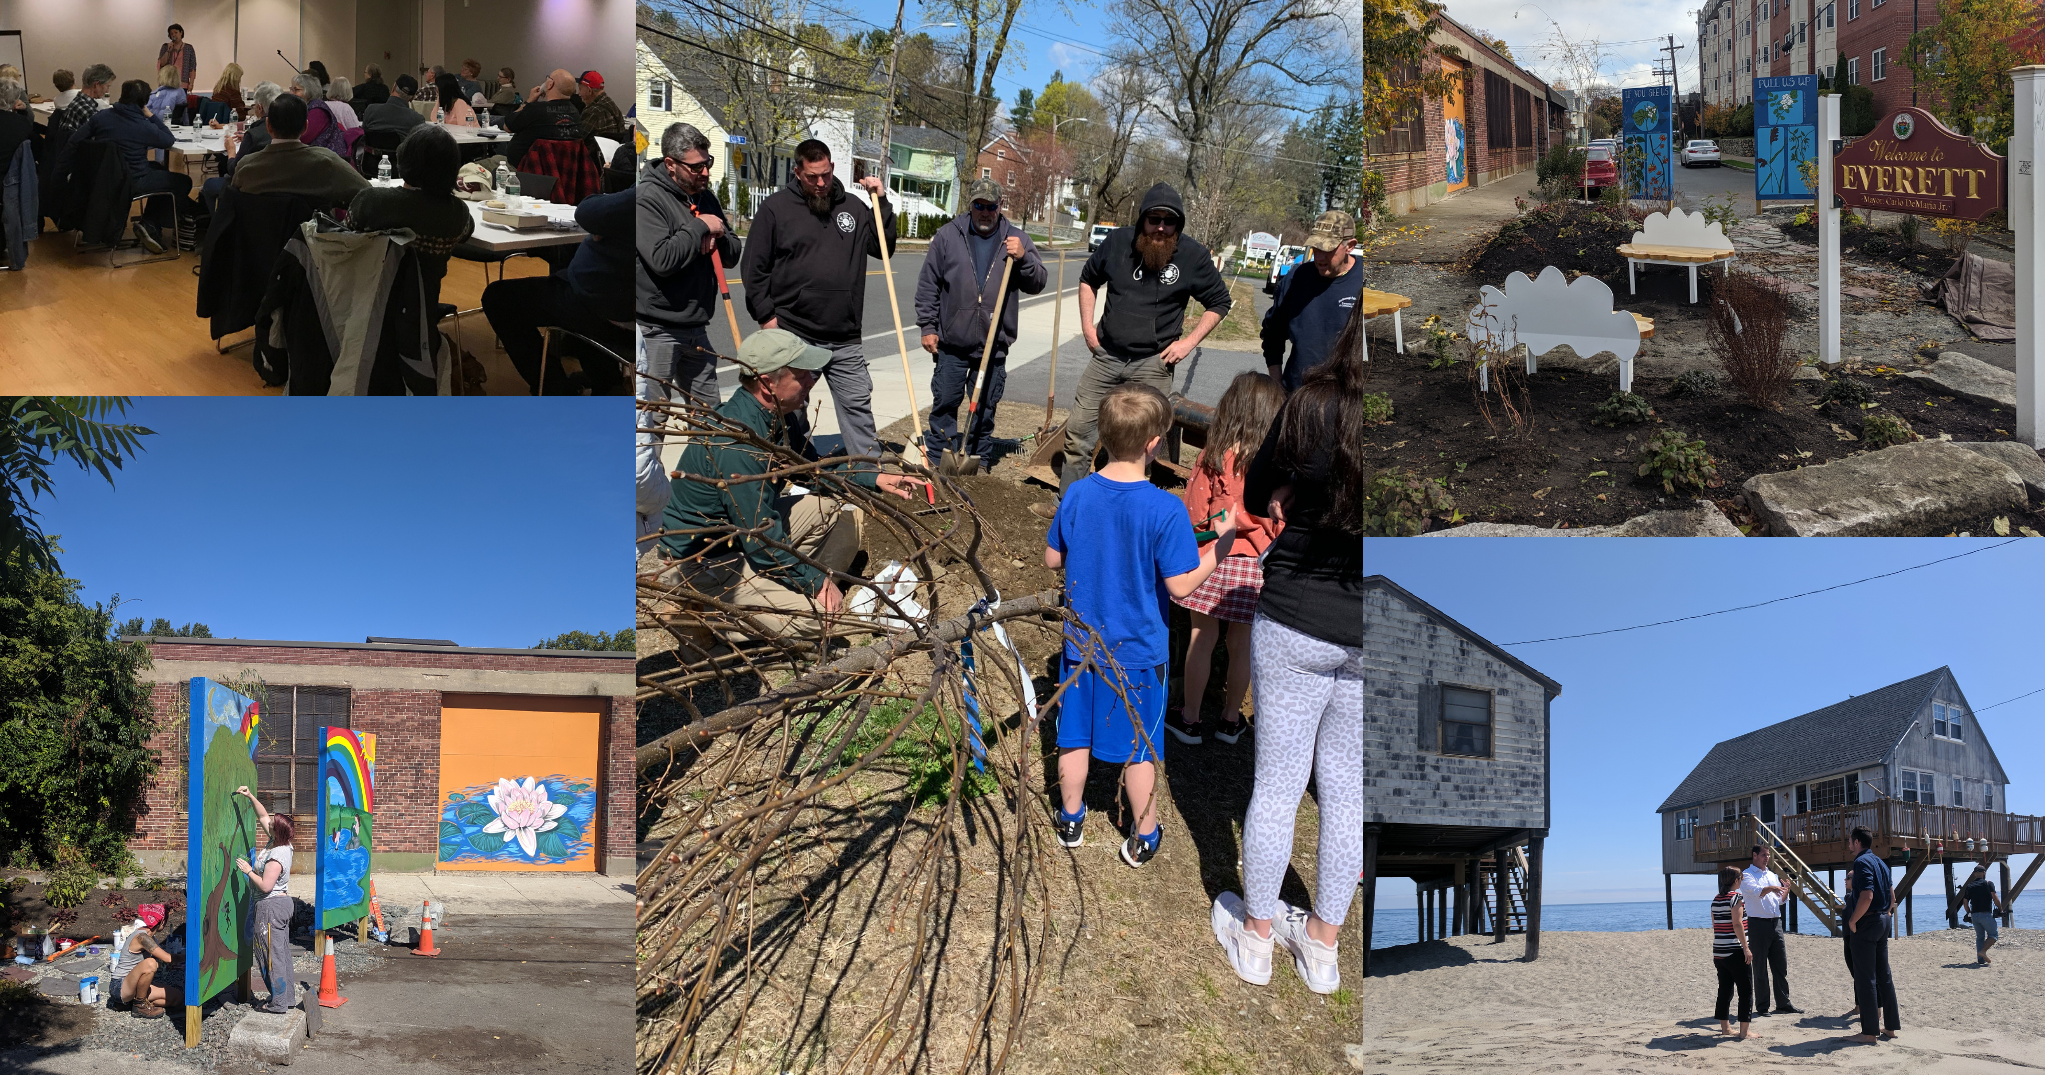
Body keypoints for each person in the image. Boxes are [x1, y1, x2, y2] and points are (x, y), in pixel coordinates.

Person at [1209, 298, 1367, 996]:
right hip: (1371, 630)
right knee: (1344, 792)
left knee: (1276, 781)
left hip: (1297, 612)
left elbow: (1256, 487)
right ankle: (1324, 946)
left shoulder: (1312, 404)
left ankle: (1258, 935)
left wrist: (1282, 494)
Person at [1046, 383, 1236, 871]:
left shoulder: (1077, 494)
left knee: (1074, 734)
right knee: (1140, 749)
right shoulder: (1165, 508)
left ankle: (1070, 818)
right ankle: (1144, 832)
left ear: (1103, 436)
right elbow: (1181, 587)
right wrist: (1222, 543)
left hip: (1081, 645)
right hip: (1139, 653)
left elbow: (1051, 559)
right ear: (1154, 443)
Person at [653, 328, 932, 634]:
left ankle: (784, 590)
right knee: (820, 620)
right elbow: (759, 537)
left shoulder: (778, 417)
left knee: (824, 508)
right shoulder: (738, 447)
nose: (813, 379)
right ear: (766, 382)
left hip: (739, 536)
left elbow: (813, 471)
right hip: (702, 560)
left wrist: (875, 478)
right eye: (802, 374)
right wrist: (816, 582)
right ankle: (702, 614)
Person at [1033, 182, 1230, 519]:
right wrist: (1087, 326)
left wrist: (1188, 342)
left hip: (1152, 365)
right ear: (1142, 220)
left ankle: (1122, 514)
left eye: (1170, 222)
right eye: (1154, 219)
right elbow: (1087, 279)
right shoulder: (1117, 243)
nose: (1161, 228)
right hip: (1106, 356)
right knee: (1079, 433)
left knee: (1140, 444)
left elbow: (1219, 302)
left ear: (1178, 226)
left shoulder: (1193, 256)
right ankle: (1068, 505)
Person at [737, 139, 896, 458]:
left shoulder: (852, 207)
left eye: (825, 174)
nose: (821, 183)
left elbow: (883, 248)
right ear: (797, 172)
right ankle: (795, 471)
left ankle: (868, 479)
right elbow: (754, 268)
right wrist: (767, 316)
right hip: (795, 333)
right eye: (812, 176)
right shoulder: (776, 209)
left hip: (845, 335)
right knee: (790, 411)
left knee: (857, 407)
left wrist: (881, 202)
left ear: (832, 168)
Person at [1166, 371, 1282, 747]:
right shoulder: (1278, 466)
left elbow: (1195, 517)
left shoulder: (1213, 457)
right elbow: (1282, 523)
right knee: (1242, 642)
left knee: (1202, 635)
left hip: (1215, 558)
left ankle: (1190, 719)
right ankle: (1231, 720)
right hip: (1256, 568)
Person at [915, 178, 1046, 470]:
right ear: (970, 205)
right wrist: (927, 326)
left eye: (991, 206)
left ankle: (980, 461)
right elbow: (928, 284)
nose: (985, 212)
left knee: (984, 409)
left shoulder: (1016, 239)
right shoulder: (949, 236)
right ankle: (939, 459)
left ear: (1000, 207)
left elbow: (1038, 281)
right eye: (979, 205)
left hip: (993, 342)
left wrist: (1023, 259)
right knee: (946, 402)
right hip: (952, 342)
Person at [481, 185, 635, 394]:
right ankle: (607, 382)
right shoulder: (683, 205)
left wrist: (601, 226)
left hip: (607, 310)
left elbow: (586, 212)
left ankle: (556, 389)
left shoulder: (651, 194)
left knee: (499, 298)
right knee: (566, 281)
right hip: (623, 305)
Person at [639, 122, 739, 406]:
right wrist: (698, 229)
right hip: (657, 330)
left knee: (710, 416)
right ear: (671, 164)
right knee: (653, 417)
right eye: (696, 167)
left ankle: (704, 453)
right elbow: (661, 259)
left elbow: (732, 254)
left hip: (697, 326)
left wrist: (715, 234)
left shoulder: (706, 197)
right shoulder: (647, 198)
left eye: (708, 163)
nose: (705, 172)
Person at [348, 125, 473, 306]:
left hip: (363, 304)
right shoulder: (457, 213)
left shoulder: (370, 201)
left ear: (403, 159)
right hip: (420, 312)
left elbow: (345, 237)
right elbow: (467, 232)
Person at [1262, 210, 1366, 392]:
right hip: (1295, 396)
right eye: (1315, 249)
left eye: (1327, 250)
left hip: (1344, 400)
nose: (1319, 257)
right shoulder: (1297, 278)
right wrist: (1277, 385)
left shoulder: (1364, 281)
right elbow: (1272, 335)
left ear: (1350, 246)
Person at [71, 79, 184, 247]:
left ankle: (150, 223)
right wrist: (152, 116)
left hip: (103, 178)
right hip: (133, 181)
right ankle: (151, 224)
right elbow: (168, 140)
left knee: (159, 168)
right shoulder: (142, 125)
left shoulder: (101, 117)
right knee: (181, 182)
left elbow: (76, 140)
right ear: (143, 102)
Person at [231, 92, 369, 208]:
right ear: (305, 127)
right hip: (309, 239)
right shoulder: (327, 163)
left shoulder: (246, 167)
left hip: (258, 238)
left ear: (268, 126)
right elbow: (367, 192)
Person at [230, 785, 296, 1014]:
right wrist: (249, 796)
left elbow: (266, 886)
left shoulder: (276, 855)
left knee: (270, 955)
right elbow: (262, 815)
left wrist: (249, 871)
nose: (266, 824)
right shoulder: (282, 843)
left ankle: (278, 1003)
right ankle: (286, 998)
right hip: (281, 905)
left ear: (275, 832)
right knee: (281, 953)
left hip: (271, 907)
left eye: (271, 825)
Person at [1844, 825, 1900, 1043]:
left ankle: (1868, 1032)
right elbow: (1892, 897)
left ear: (1857, 842)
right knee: (1884, 975)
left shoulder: (1861, 861)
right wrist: (1884, 913)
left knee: (1865, 977)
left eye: (1850, 841)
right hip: (1883, 920)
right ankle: (1891, 1027)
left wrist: (1853, 919)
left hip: (1868, 923)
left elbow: (1866, 895)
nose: (1849, 844)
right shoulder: (1881, 862)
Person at [200, 79, 281, 217]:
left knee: (208, 185)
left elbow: (233, 169)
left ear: (260, 108)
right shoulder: (283, 129)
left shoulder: (254, 134)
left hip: (247, 189)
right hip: (277, 189)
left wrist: (231, 151)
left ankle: (215, 225)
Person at [1739, 844, 1802, 1017]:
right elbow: (1757, 892)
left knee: (1780, 965)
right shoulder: (1747, 875)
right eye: (1764, 855)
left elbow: (1780, 901)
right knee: (1760, 967)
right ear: (1755, 855)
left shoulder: (1772, 875)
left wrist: (1786, 891)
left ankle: (1783, 1003)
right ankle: (1762, 1007)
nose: (1767, 858)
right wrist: (1773, 888)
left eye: (1768, 855)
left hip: (1776, 923)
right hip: (1757, 923)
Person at [1711, 866, 1758, 1039]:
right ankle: (1744, 1032)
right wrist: (1746, 947)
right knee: (1745, 990)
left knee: (1725, 990)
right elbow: (1737, 923)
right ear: (1736, 880)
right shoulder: (1736, 897)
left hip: (1719, 951)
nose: (1742, 880)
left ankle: (1725, 1028)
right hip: (1734, 951)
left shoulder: (1717, 899)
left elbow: (1715, 923)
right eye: (1741, 877)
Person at [503, 69, 586, 167]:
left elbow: (507, 127)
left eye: (547, 78)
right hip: (560, 172)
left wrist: (529, 101)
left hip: (525, 169)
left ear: (550, 84)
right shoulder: (575, 113)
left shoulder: (536, 109)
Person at [109, 904, 176, 1017]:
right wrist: (190, 957)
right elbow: (167, 958)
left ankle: (131, 1003)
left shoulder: (151, 938)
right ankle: (140, 1006)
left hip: (136, 986)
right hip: (119, 986)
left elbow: (163, 960)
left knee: (177, 998)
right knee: (150, 964)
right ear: (162, 921)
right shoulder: (142, 937)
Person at [289, 72, 349, 156]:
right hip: (315, 155)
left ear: (309, 91)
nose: (292, 93)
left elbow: (303, 138)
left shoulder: (318, 111)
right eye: (291, 89)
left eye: (296, 90)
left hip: (328, 159)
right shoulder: (305, 107)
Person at [1960, 865, 2009, 964]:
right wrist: (2001, 909)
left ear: (1974, 874)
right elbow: (1995, 898)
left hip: (1974, 915)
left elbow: (1965, 902)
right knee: (1993, 935)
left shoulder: (1969, 886)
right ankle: (1983, 951)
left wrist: (1969, 913)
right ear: (1984, 873)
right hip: (1985, 914)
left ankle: (1980, 960)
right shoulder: (1988, 883)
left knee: (1980, 937)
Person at [363, 73, 426, 138]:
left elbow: (363, 137)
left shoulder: (370, 111)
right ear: (412, 98)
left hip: (373, 147)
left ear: (394, 87)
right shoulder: (417, 120)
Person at [575, 70, 626, 141]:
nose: (579, 93)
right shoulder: (612, 105)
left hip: (595, 151)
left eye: (580, 89)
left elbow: (578, 139)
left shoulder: (592, 112)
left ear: (589, 91)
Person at [157, 24, 196, 94]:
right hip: (168, 82)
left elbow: (192, 67)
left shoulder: (189, 48)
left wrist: (191, 83)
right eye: (171, 34)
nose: (174, 35)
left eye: (176, 32)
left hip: (183, 82)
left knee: (181, 103)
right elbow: (161, 63)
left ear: (181, 33)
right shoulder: (165, 46)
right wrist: (168, 50)